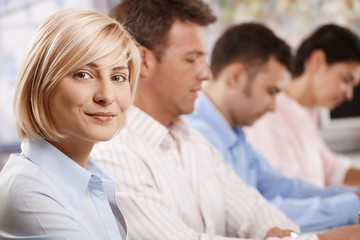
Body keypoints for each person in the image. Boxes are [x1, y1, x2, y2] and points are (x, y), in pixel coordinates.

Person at [92, 0, 360, 239]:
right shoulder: (113, 152)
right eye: (192, 59)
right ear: (143, 61)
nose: (206, 73)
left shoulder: (191, 140)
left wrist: (282, 235)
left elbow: (254, 211)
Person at [184, 22, 360, 233]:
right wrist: (351, 205)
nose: (273, 106)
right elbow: (256, 214)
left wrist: (353, 198)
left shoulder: (234, 133)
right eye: (270, 91)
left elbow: (283, 186)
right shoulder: (198, 135)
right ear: (236, 76)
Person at [0, 8, 140, 239]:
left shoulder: (93, 179)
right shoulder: (26, 192)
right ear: (41, 85)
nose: (106, 95)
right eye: (83, 74)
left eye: (118, 77)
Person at [244, 24, 360, 188]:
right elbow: (285, 191)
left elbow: (333, 169)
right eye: (345, 80)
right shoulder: (269, 113)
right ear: (317, 61)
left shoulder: (307, 114)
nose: (349, 95)